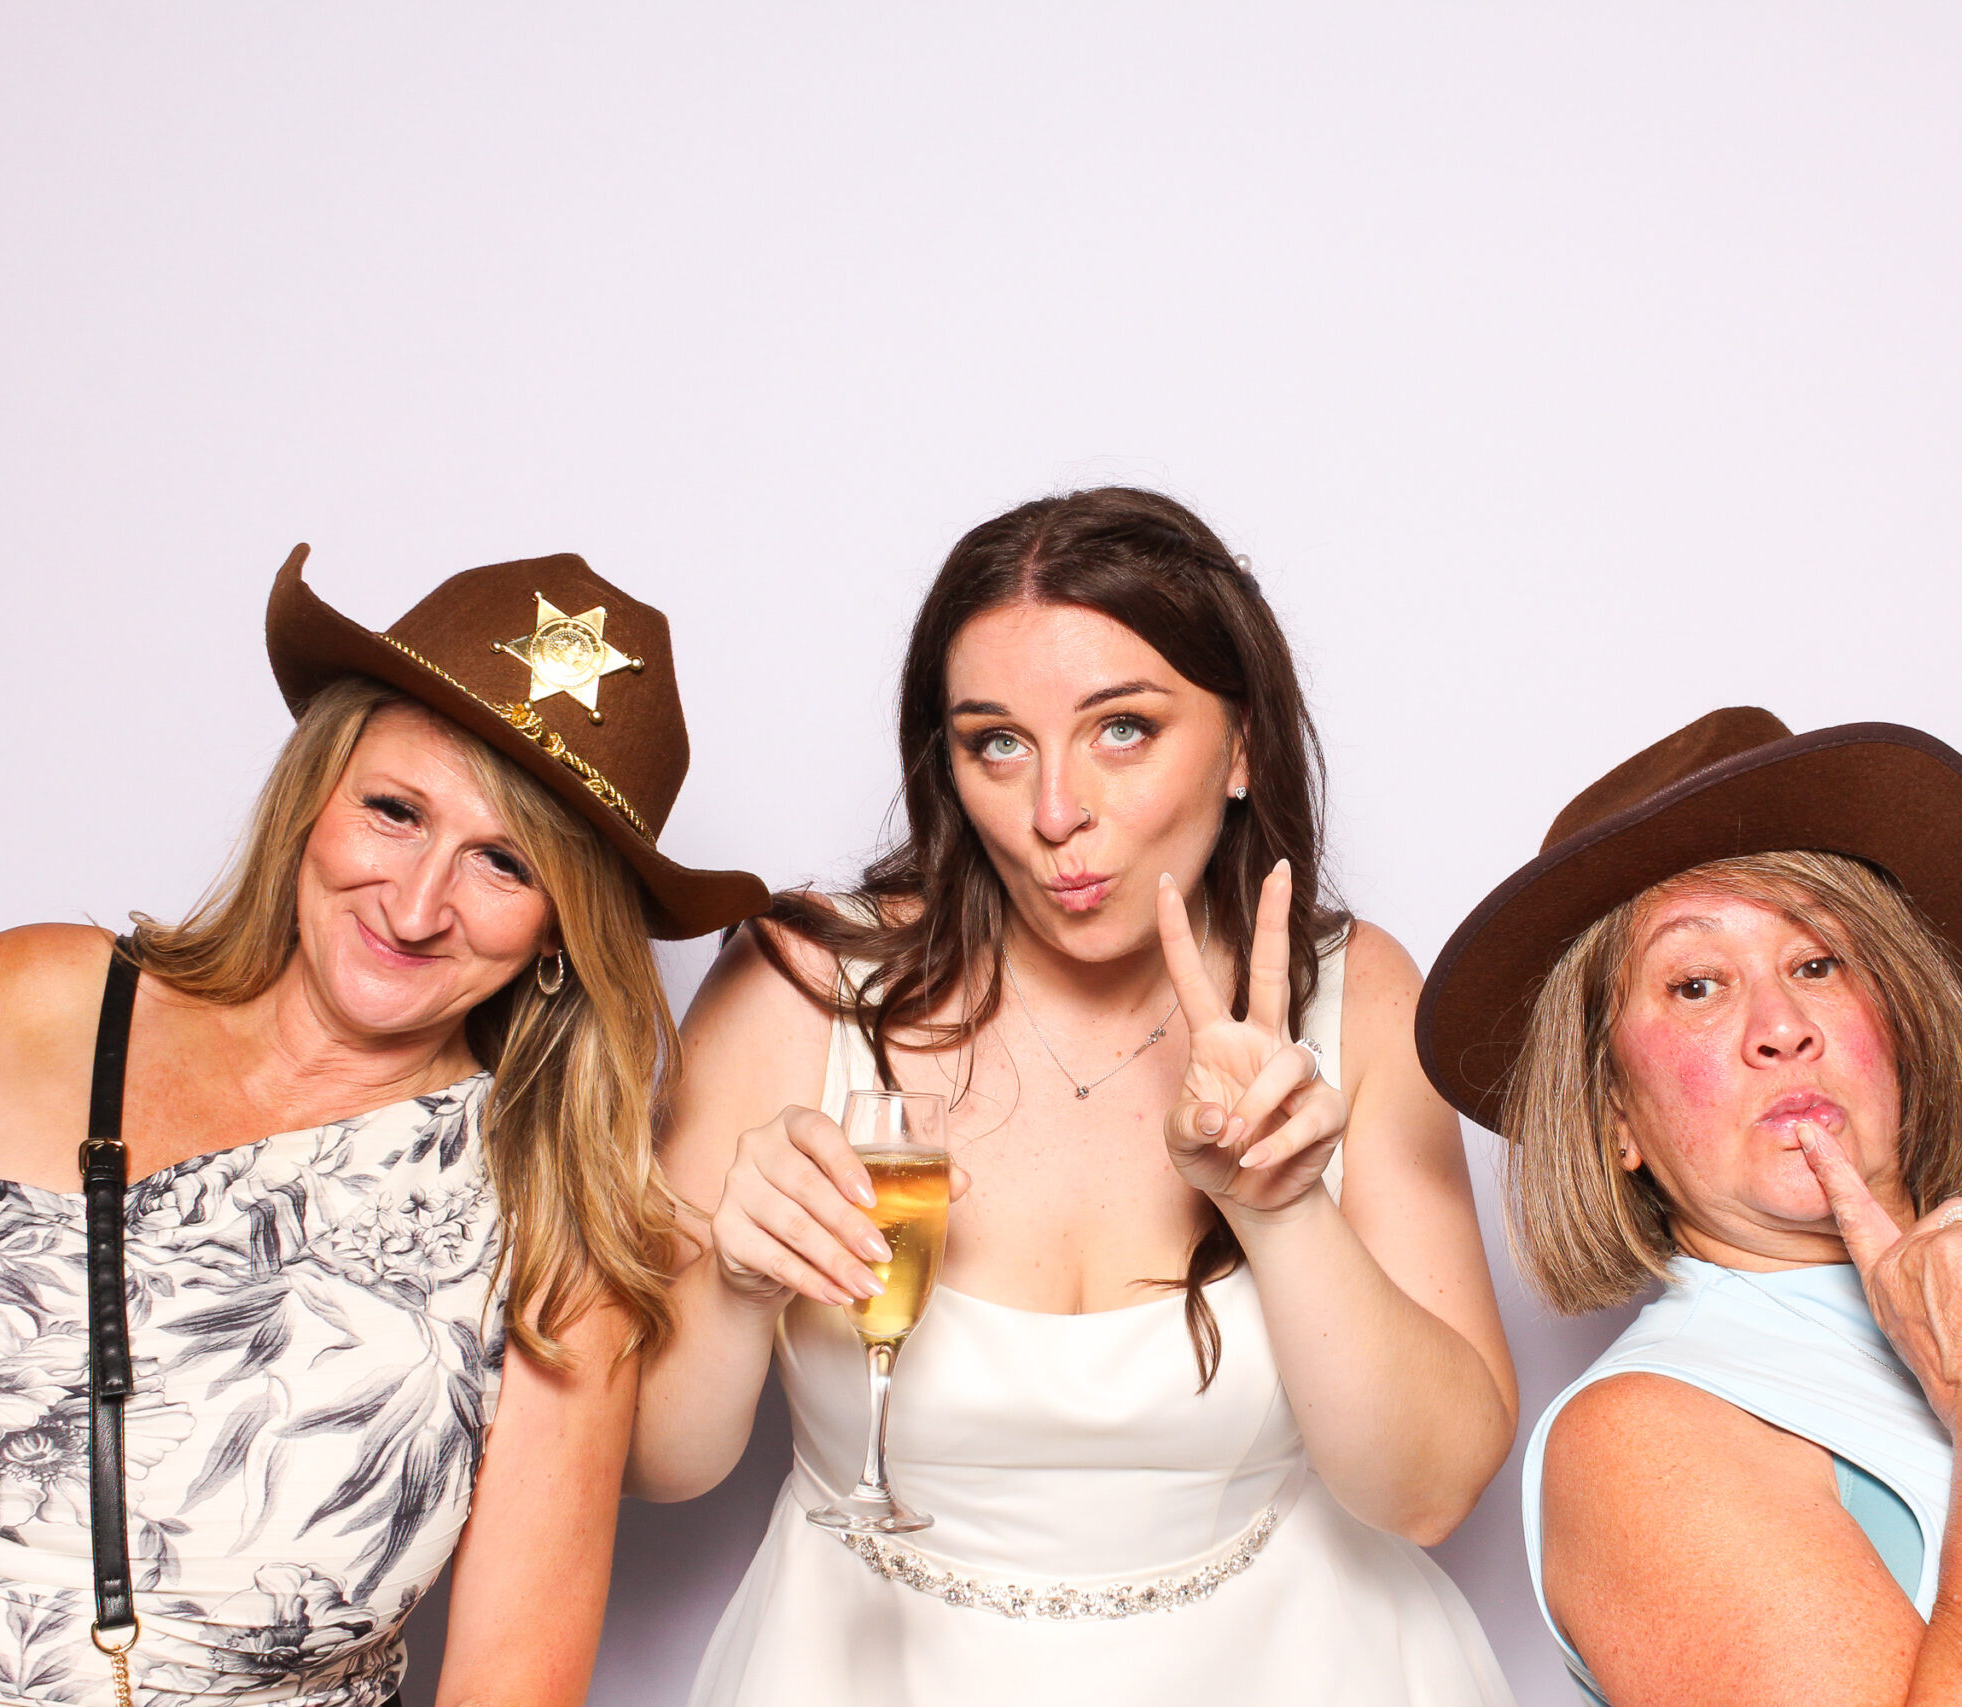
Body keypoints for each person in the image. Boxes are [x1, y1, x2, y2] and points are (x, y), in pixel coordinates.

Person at [631, 488, 1518, 1705]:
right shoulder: (795, 983)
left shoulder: (1355, 994)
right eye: (997, 743)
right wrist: (736, 1289)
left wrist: (1281, 1209)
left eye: (1123, 730)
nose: (1054, 815)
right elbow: (660, 1463)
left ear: (1244, 745)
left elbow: (1428, 1494)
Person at [0, 547, 766, 1707]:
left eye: (503, 864)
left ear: (558, 931)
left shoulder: (551, 1234)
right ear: (313, 799)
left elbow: (510, 1686)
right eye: (394, 811)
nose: (417, 908)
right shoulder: (29, 1001)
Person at [1415, 707, 1962, 1707]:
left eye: (1816, 963)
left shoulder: (1949, 1357)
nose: (1780, 1026)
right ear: (1613, 1111)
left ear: (1906, 1028)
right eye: (1697, 984)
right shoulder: (1640, 1437)